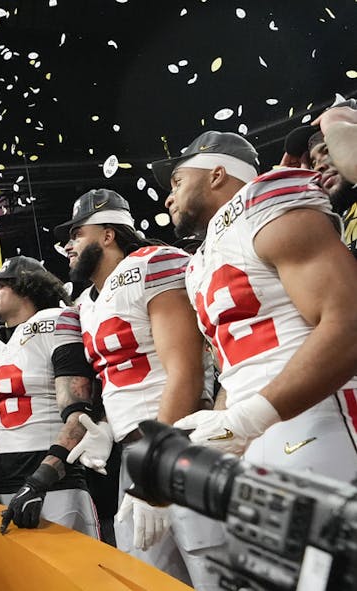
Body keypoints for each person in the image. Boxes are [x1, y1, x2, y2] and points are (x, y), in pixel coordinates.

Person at [152, 130, 357, 483]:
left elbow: (349, 323)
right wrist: (215, 436)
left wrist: (246, 421)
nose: (169, 199)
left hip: (320, 419)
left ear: (216, 174)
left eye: (177, 181)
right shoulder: (198, 263)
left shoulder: (264, 202)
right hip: (255, 436)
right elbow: (233, 373)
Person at [56, 189, 224, 589]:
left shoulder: (155, 265)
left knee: (214, 572)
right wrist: (106, 427)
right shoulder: (88, 303)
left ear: (109, 234)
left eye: (78, 234)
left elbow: (186, 372)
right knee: (146, 579)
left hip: (181, 443)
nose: (68, 246)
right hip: (135, 454)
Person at [0, 256, 99, 538]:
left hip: (57, 481)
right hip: (3, 483)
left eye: (0, 285)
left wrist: (40, 481)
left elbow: (79, 415)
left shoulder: (56, 323)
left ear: (28, 285)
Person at [282, 99, 357, 256]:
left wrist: (336, 124)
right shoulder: (331, 227)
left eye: (328, 150)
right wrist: (292, 194)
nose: (318, 167)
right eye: (313, 161)